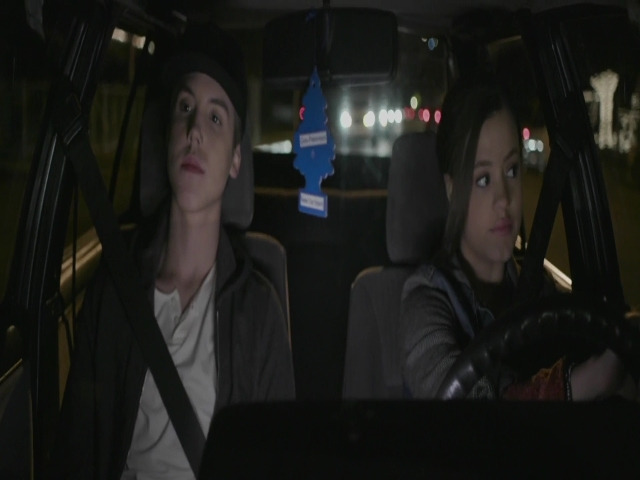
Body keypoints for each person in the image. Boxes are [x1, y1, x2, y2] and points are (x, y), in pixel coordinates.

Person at [52, 24, 295, 479]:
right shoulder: (114, 295)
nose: (194, 131)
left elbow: (280, 462)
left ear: (236, 159)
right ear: (167, 134)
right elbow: (76, 452)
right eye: (185, 108)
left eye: (215, 118)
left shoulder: (258, 315)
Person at [400, 78, 637, 401]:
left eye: (511, 171)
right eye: (483, 179)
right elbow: (461, 410)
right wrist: (577, 384)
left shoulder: (539, 287)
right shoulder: (425, 302)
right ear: (453, 190)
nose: (504, 199)